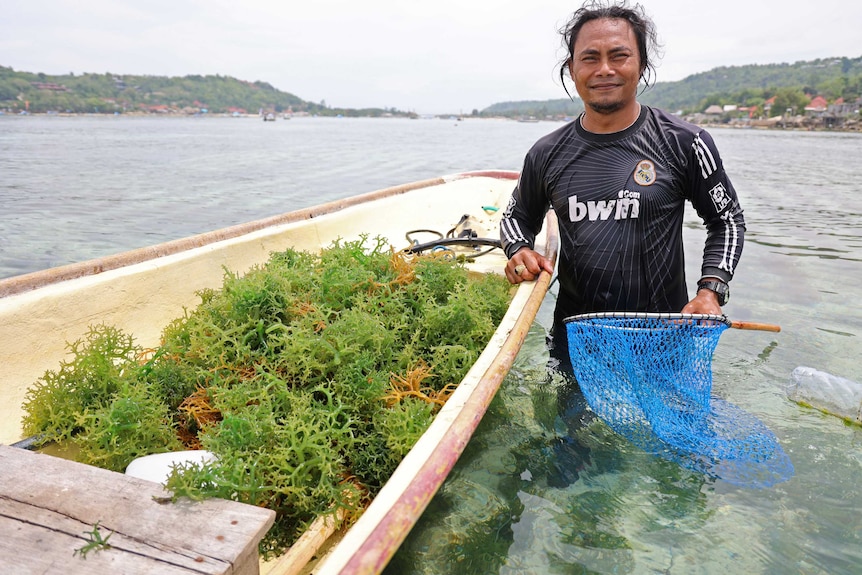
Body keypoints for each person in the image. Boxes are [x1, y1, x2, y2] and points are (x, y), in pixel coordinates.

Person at [500, 0, 745, 366]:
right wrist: (517, 249)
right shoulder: (546, 153)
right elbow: (515, 217)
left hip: (664, 339)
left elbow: (727, 220)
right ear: (571, 68)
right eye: (589, 58)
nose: (604, 69)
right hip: (576, 341)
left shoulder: (684, 142)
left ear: (641, 65)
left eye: (619, 55)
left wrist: (710, 291)